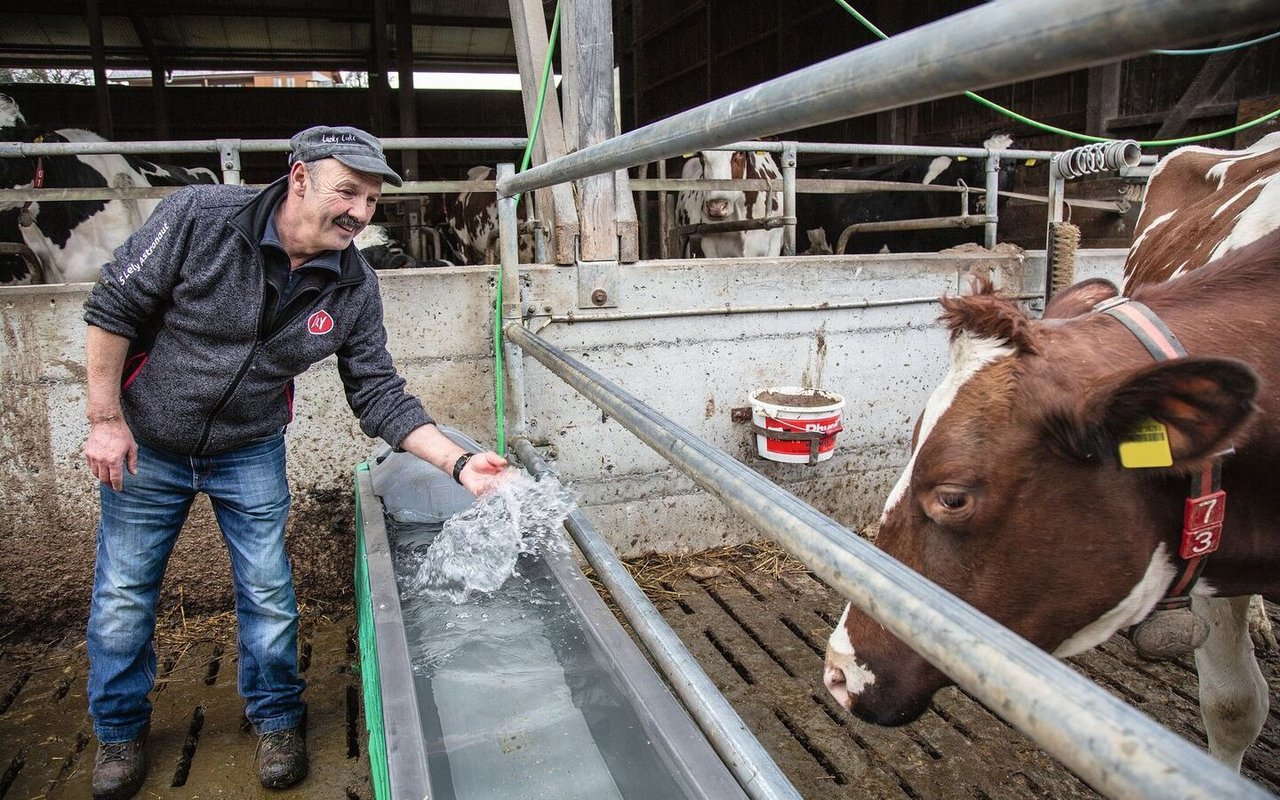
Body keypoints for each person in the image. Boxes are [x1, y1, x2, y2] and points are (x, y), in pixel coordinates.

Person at [80, 125, 508, 799]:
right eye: (348, 192)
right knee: (123, 596)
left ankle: (278, 720)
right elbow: (114, 305)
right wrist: (105, 421)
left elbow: (379, 394)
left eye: (371, 200)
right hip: (150, 441)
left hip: (249, 447)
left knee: (270, 592)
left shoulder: (352, 285)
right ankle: (118, 734)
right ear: (298, 177)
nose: (360, 213)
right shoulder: (201, 218)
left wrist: (461, 464)